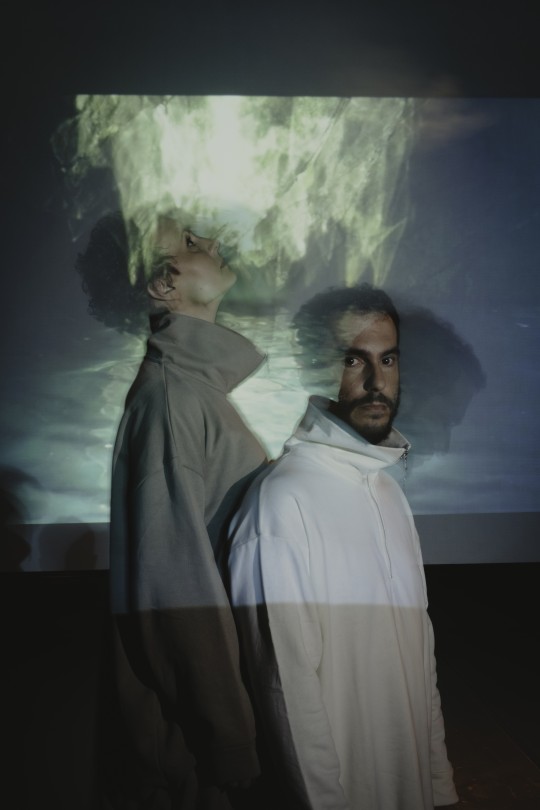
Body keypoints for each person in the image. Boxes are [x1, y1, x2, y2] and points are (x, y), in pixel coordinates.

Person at [228, 283, 460, 809]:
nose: (377, 382)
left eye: (388, 359)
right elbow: (286, 694)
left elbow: (420, 660)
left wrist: (439, 785)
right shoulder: (280, 502)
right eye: (354, 359)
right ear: (313, 367)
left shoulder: (390, 494)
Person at [76, 209, 268, 809]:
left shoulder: (190, 392)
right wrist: (230, 738)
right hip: (196, 761)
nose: (209, 240)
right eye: (188, 242)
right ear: (165, 283)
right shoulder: (171, 400)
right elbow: (172, 589)